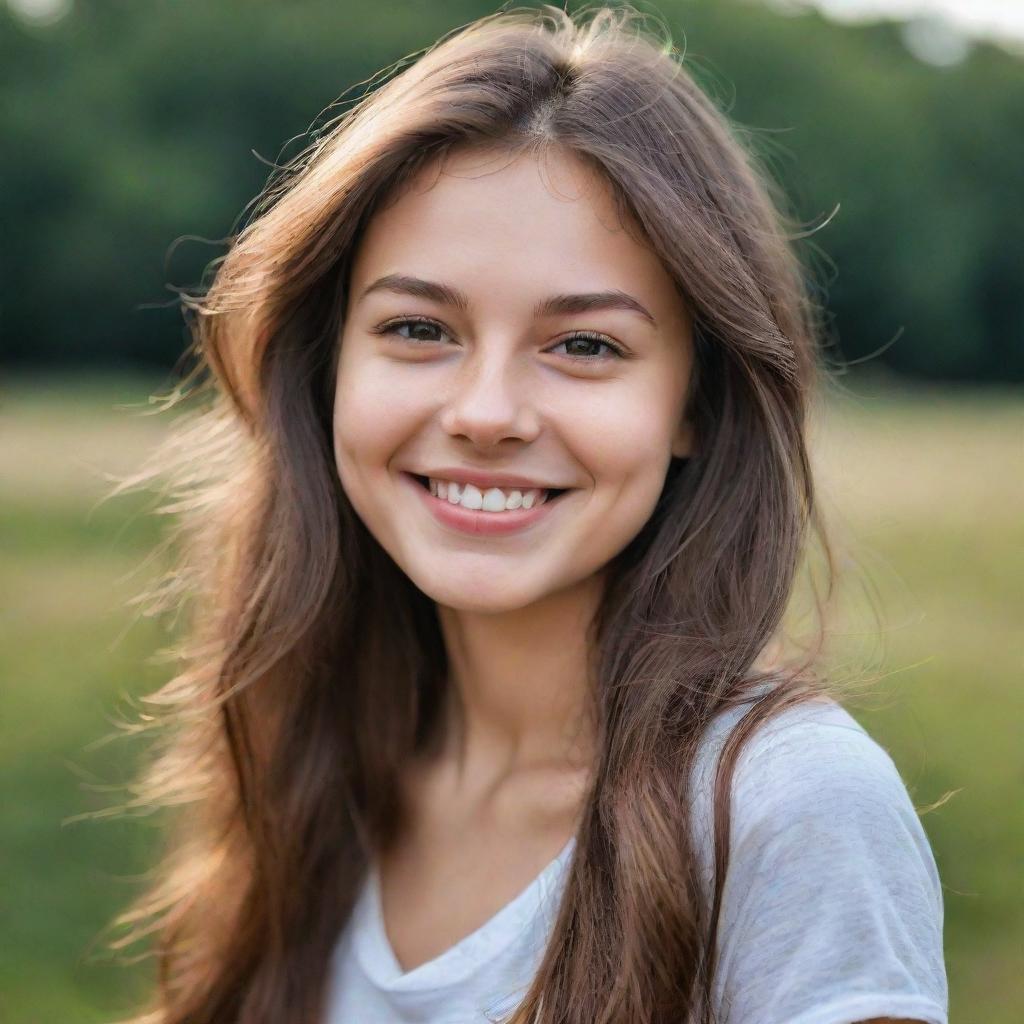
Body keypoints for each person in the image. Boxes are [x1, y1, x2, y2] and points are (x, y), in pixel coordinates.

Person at [105, 6, 947, 1023]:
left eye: (584, 345)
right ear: (329, 367)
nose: (485, 414)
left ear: (694, 403)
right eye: (419, 328)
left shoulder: (784, 803)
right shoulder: (308, 746)